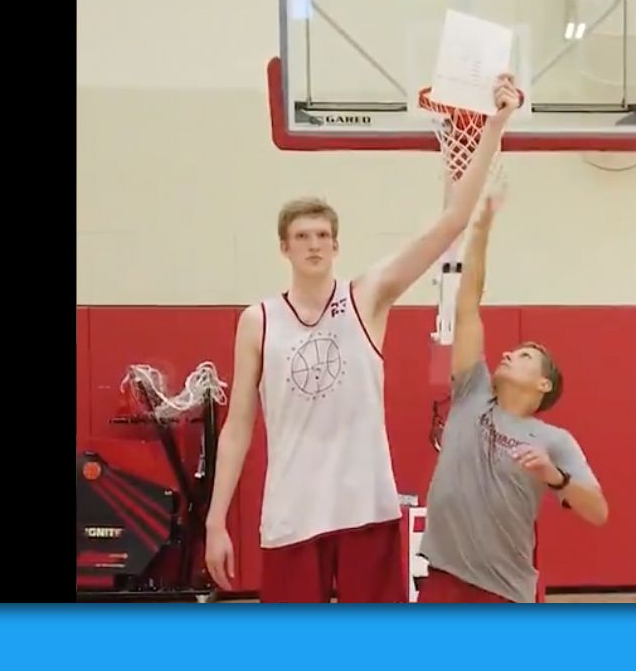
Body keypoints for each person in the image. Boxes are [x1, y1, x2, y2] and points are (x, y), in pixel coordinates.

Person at [202, 72, 522, 602]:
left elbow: (452, 220)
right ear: (284, 248)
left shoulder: (367, 296)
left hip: (364, 506)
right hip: (291, 513)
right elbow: (237, 428)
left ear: (336, 244)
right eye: (302, 237)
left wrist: (495, 125)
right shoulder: (257, 319)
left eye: (322, 236)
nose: (314, 245)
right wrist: (216, 521)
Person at [416, 190, 609, 603]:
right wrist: (481, 230)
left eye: (524, 357)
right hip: (444, 577)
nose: (508, 354)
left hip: (504, 591)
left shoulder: (554, 441)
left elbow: (598, 512)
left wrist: (555, 478)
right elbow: (468, 305)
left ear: (543, 385)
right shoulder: (471, 394)